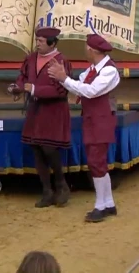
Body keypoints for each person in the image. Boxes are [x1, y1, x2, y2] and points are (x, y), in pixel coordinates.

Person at [48, 34, 120, 223]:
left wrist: (64, 78)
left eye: (86, 47)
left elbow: (89, 91)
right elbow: (80, 86)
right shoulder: (94, 69)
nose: (85, 50)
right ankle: (108, 203)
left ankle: (101, 205)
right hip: (94, 119)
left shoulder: (108, 71)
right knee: (98, 162)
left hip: (100, 120)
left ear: (92, 50)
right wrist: (63, 78)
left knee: (96, 162)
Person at [8, 27, 72, 207]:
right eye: (37, 41)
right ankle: (46, 191)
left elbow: (62, 90)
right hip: (35, 109)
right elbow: (23, 77)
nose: (37, 44)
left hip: (53, 110)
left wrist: (34, 89)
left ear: (52, 43)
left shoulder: (61, 62)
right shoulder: (31, 59)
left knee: (49, 148)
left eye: (41, 41)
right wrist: (16, 87)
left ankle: (61, 185)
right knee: (36, 148)